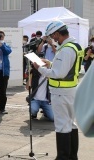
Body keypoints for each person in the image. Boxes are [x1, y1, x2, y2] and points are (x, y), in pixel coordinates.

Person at [33, 20, 83, 160]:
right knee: (70, 124)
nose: (52, 39)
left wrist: (40, 68)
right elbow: (68, 67)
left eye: (52, 36)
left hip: (61, 92)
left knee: (62, 125)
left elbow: (58, 74)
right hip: (71, 90)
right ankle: (72, 156)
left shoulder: (66, 49)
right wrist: (51, 63)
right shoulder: (75, 46)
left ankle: (63, 157)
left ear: (57, 33)